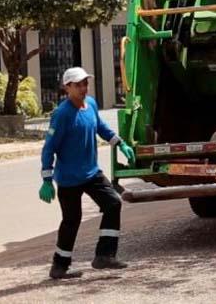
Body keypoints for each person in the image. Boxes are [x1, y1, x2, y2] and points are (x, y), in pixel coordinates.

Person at [38, 67, 136, 279]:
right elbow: (49, 148)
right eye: (78, 84)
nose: (83, 88)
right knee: (72, 220)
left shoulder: (90, 104)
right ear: (67, 88)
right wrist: (47, 179)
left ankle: (104, 256)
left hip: (92, 173)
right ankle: (59, 267)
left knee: (113, 203)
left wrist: (120, 143)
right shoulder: (61, 115)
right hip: (69, 179)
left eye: (85, 83)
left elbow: (101, 127)